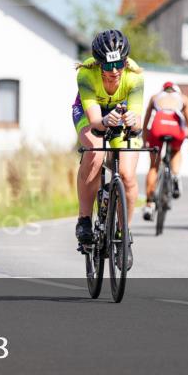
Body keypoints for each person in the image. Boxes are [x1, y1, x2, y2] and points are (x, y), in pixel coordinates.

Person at [72, 29, 144, 270]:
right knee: (95, 151)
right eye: (108, 65)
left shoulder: (134, 76)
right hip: (90, 114)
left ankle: (124, 234)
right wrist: (104, 122)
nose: (114, 71)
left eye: (119, 64)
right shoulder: (86, 74)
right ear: (98, 63)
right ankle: (84, 219)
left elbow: (138, 120)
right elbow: (95, 121)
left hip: (121, 116)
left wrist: (133, 121)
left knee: (127, 175)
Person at [142, 81, 188, 219]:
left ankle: (149, 205)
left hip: (157, 128)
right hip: (175, 130)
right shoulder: (183, 98)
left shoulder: (155, 97)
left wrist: (144, 141)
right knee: (176, 151)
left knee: (153, 167)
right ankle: (175, 175)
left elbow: (146, 122)